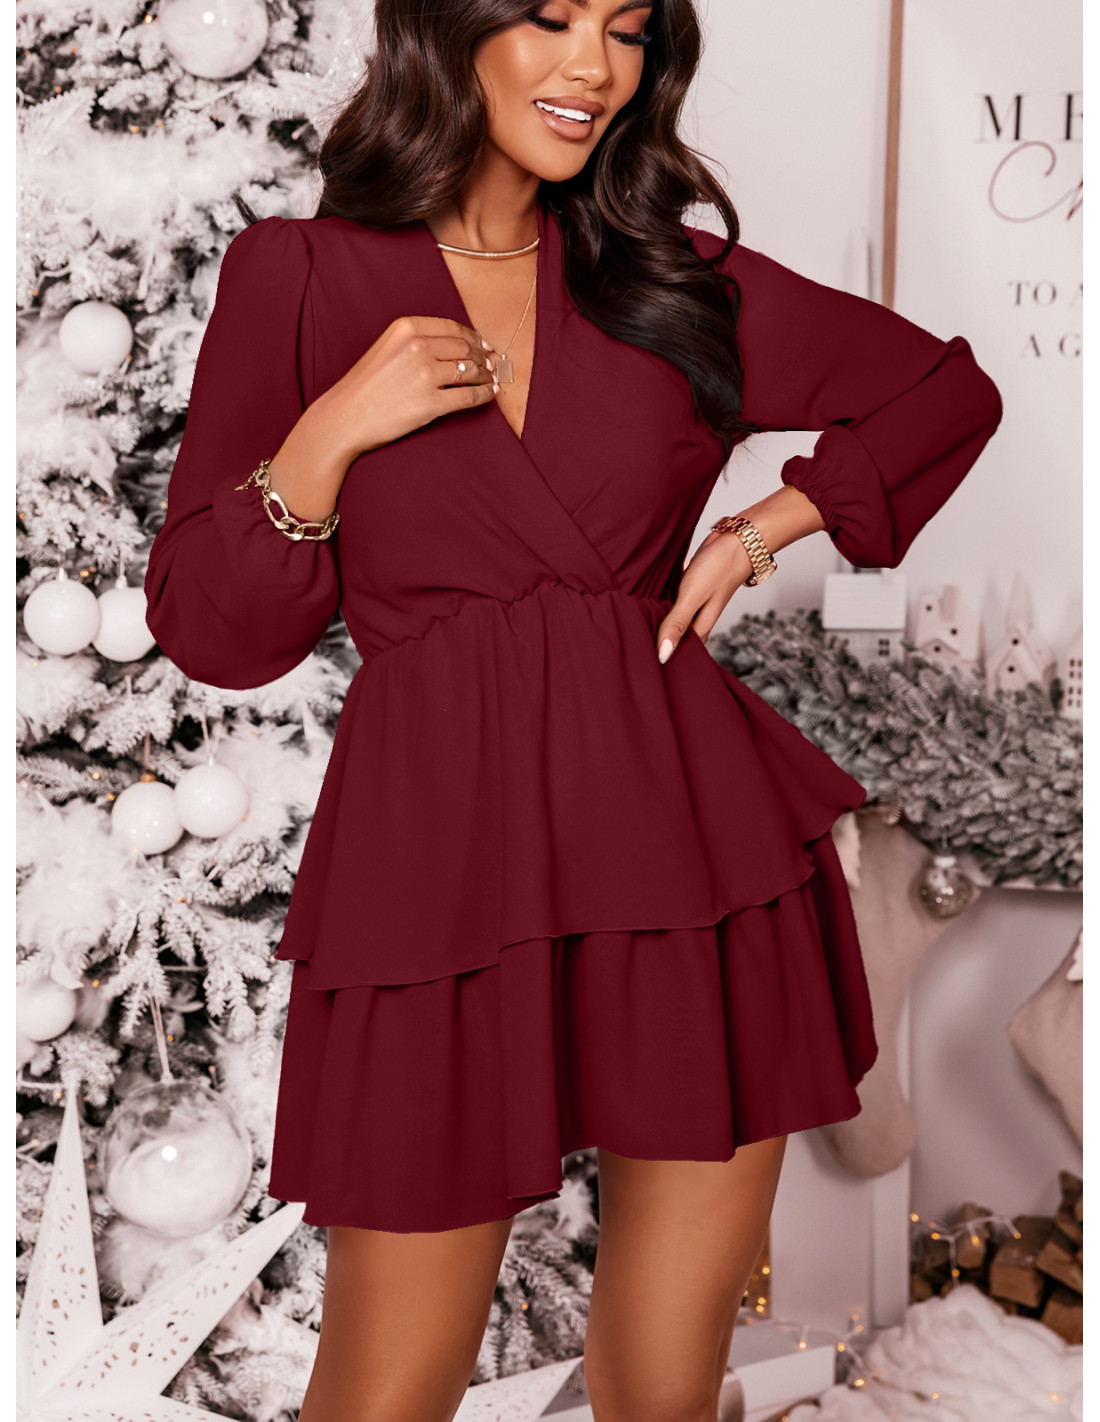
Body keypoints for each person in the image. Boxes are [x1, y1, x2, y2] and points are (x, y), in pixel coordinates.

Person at [144, 2, 1003, 1418]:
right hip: (435, 883)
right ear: (450, 27)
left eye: (625, 27)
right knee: (383, 1390)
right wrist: (329, 431)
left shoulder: (666, 280)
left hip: (695, 867)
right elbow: (212, 629)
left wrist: (763, 530)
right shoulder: (296, 275)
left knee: (659, 1389)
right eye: (549, 17)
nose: (595, 66)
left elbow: (939, 393)